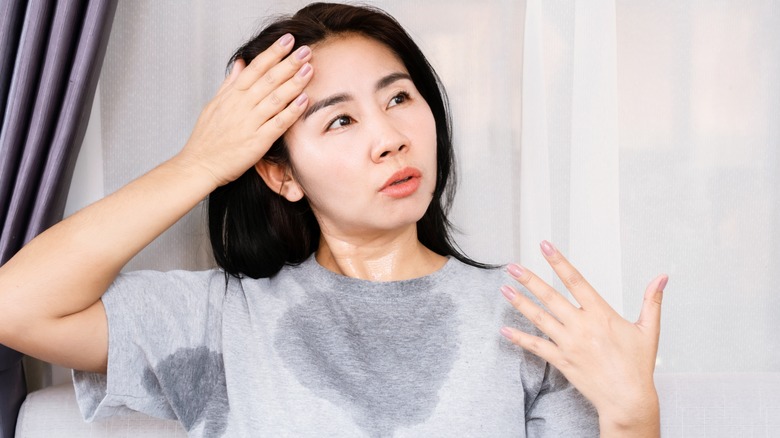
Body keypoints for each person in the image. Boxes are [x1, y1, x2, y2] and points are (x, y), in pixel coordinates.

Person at [0, 3, 667, 437]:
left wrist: (634, 415)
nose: (390, 137)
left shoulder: (531, 322)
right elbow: (17, 305)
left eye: (400, 97)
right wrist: (198, 163)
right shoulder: (225, 317)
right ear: (280, 173)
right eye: (342, 119)